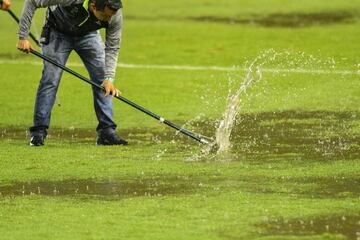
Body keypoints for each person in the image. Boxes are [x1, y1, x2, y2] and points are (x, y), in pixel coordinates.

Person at [17, 0, 128, 146]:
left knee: (103, 80)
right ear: (93, 6)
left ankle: (106, 131)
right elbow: (32, 2)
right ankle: (38, 132)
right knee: (50, 79)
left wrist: (109, 78)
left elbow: (112, 47)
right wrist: (22, 36)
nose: (110, 19)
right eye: (106, 16)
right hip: (57, 32)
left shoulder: (114, 13)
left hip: (88, 35)